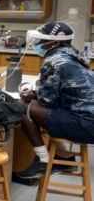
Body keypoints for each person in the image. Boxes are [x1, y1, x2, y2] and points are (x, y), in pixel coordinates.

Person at [17, 22, 94, 179]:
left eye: (42, 41)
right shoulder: (74, 55)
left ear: (55, 42)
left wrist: (33, 93)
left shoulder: (55, 61)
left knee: (22, 106)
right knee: (35, 109)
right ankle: (65, 157)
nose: (38, 44)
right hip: (87, 118)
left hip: (86, 125)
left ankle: (43, 161)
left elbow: (47, 101)